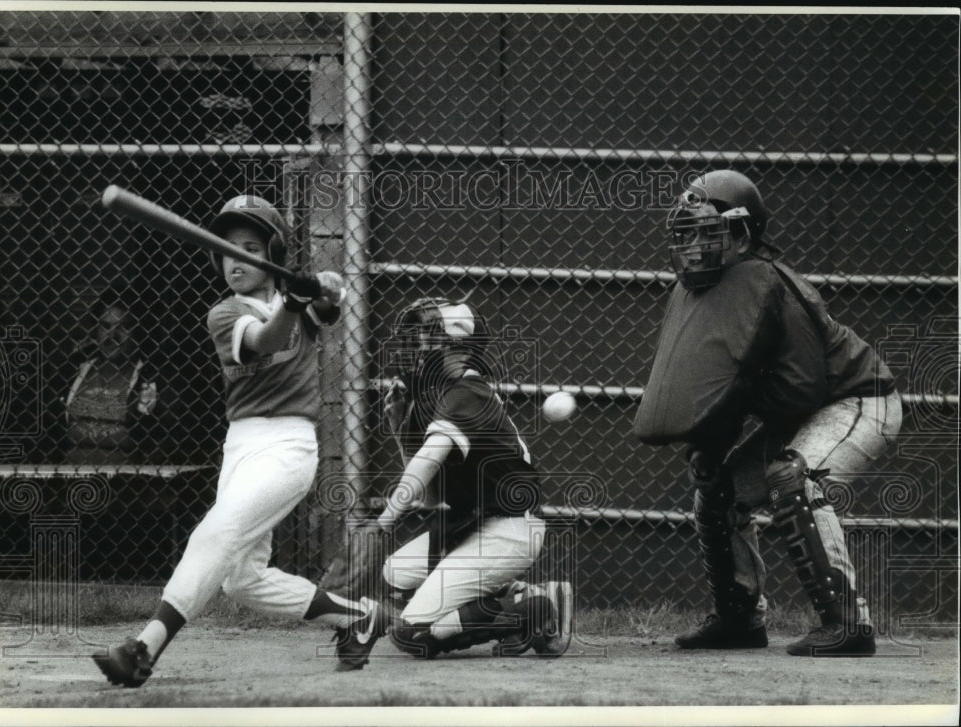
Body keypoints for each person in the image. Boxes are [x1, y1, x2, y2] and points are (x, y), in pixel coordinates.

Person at [93, 194, 384, 686]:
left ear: (272, 252)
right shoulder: (223, 315)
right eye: (228, 249)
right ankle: (357, 616)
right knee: (242, 581)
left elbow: (329, 307)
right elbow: (267, 339)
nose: (237, 259)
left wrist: (331, 288)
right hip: (242, 446)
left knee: (213, 534)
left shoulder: (295, 297)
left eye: (250, 247)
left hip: (288, 447)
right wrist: (297, 299)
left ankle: (143, 648)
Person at [633, 170, 901, 657]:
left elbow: (803, 390)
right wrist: (712, 445)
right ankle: (740, 619)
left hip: (860, 400)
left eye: (706, 233)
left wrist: (733, 414)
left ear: (742, 235)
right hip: (807, 412)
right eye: (685, 233)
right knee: (716, 491)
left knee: (795, 479)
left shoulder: (772, 284)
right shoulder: (708, 292)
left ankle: (846, 624)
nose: (692, 246)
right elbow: (720, 381)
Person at [372, 296, 573, 660]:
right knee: (391, 578)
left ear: (457, 350)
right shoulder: (428, 399)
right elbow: (434, 498)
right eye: (414, 338)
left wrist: (383, 521)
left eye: (427, 338)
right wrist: (400, 430)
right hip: (469, 526)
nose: (414, 348)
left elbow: (429, 459)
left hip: (508, 531)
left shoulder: (469, 391)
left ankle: (531, 608)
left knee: (412, 633)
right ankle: (514, 594)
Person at [62, 294, 162, 465]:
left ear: (138, 331)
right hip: (70, 474)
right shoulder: (76, 369)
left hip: (125, 480)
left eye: (123, 327)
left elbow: (154, 444)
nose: (112, 335)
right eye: (105, 326)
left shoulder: (149, 377)